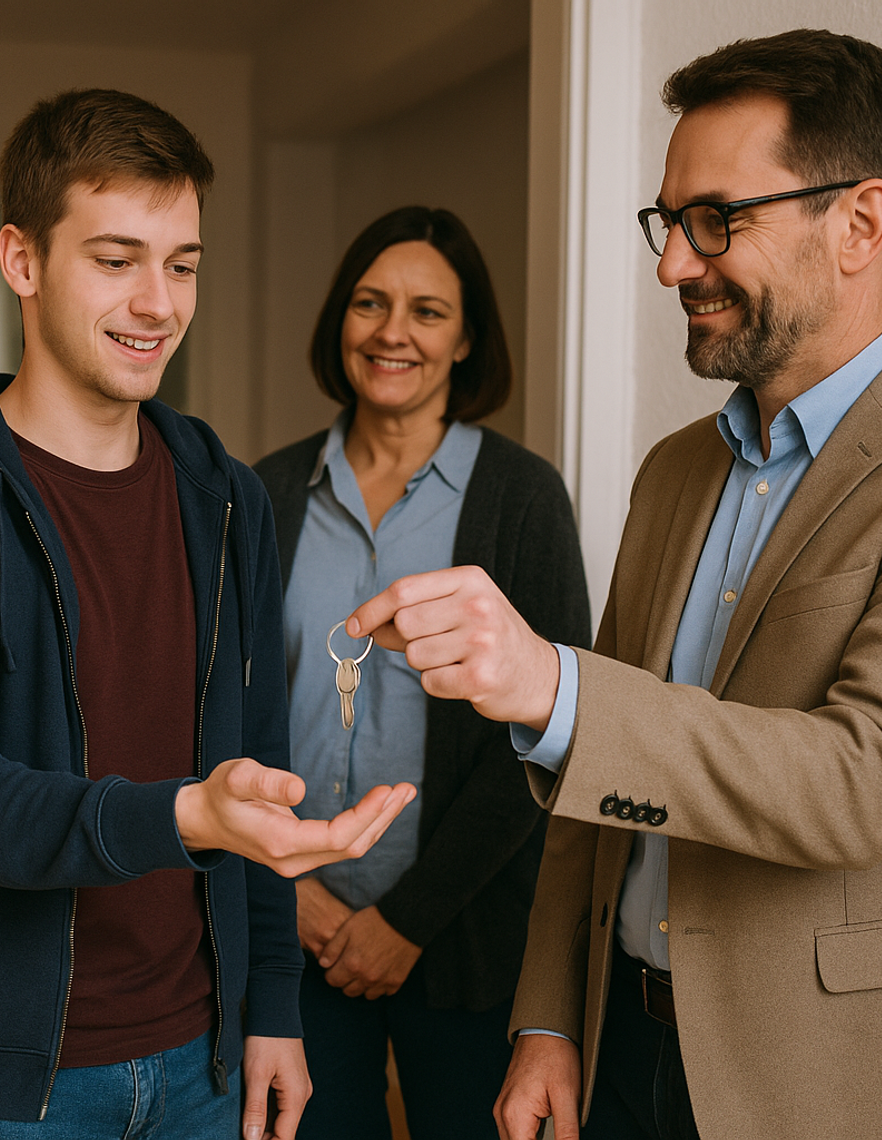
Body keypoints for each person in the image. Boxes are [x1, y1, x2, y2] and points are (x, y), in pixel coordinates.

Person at [347, 28, 882, 1140]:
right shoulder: (675, 472)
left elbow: (869, 779)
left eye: (718, 220)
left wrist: (555, 688)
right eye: (670, 223)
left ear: (859, 224)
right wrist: (548, 1022)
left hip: (808, 1084)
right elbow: (595, 789)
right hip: (616, 1051)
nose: (672, 265)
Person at [0, 89, 414, 1140]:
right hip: (2, 1093)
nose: (158, 302)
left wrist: (271, 1006)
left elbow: (260, 764)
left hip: (208, 1063)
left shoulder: (227, 496)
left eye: (181, 264)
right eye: (115, 258)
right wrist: (186, 814)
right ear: (21, 259)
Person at [255, 207, 590, 1139]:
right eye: (370, 303)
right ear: (340, 324)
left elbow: (553, 731)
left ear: (467, 337)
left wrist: (406, 921)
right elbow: (225, 711)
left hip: (463, 938)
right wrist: (293, 892)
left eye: (428, 310)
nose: (392, 330)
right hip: (294, 933)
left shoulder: (522, 498)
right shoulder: (264, 492)